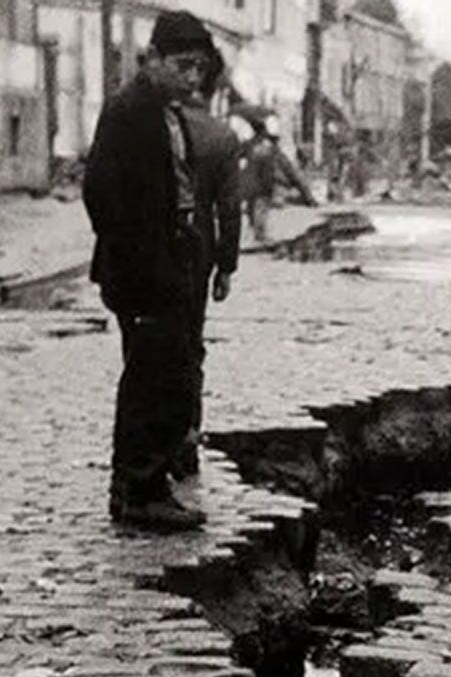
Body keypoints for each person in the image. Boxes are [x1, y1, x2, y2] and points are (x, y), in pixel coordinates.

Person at [82, 11, 220, 530]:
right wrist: (139, 258)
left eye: (200, 69)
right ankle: (141, 491)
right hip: (144, 275)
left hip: (164, 269)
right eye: (184, 65)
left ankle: (138, 485)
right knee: (155, 382)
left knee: (166, 378)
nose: (192, 78)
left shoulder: (164, 110)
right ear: (155, 58)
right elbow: (99, 191)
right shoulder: (131, 110)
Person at [175, 62, 243, 480]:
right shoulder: (221, 136)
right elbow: (229, 210)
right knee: (190, 345)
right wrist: (226, 266)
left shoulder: (160, 126)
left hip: (152, 250)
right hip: (196, 253)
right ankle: (188, 439)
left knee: (149, 351)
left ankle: (150, 448)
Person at [240, 115, 318, 244]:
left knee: (254, 209)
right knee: (260, 209)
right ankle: (259, 237)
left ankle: (254, 235)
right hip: (263, 186)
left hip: (248, 186)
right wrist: (309, 197)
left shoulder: (249, 146)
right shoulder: (273, 151)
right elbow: (293, 175)